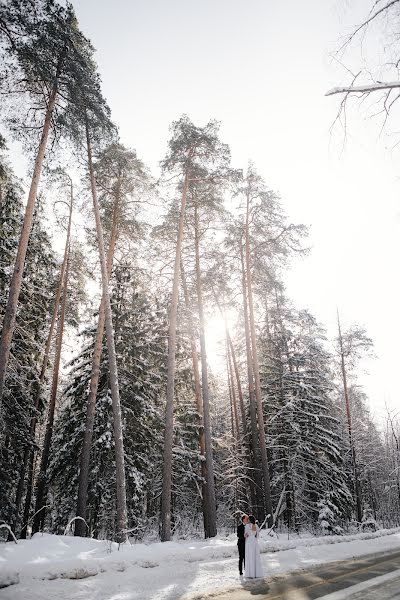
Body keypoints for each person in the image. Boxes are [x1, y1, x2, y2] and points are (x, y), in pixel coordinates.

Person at [244, 514, 263, 578]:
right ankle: (256, 573)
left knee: (250, 556)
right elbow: (257, 536)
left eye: (248, 519)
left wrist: (246, 535)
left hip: (249, 542)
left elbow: (246, 535)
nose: (247, 520)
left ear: (250, 519)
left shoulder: (247, 526)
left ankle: (250, 573)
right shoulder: (256, 525)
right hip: (254, 541)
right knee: (254, 556)